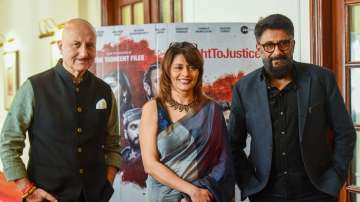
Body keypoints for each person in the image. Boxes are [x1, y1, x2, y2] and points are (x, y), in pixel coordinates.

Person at [229, 14, 356, 202]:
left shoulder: (322, 79)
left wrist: (334, 180)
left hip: (316, 193)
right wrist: (249, 184)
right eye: (269, 45)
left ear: (293, 45)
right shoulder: (244, 88)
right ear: (259, 49)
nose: (277, 52)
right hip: (265, 194)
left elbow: (345, 133)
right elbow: (233, 144)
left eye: (283, 44)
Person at [0, 18, 121, 202]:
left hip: (94, 196)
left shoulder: (104, 91)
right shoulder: (34, 87)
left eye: (90, 45)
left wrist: (107, 182)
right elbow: (8, 143)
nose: (83, 52)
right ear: (60, 46)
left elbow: (113, 144)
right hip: (45, 197)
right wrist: (28, 189)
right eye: (76, 45)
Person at [140, 41, 234, 202]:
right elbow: (150, 164)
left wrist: (198, 194)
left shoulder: (212, 110)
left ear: (199, 72)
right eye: (179, 67)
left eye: (192, 67)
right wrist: (191, 191)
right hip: (162, 197)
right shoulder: (152, 109)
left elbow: (223, 163)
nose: (186, 73)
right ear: (168, 71)